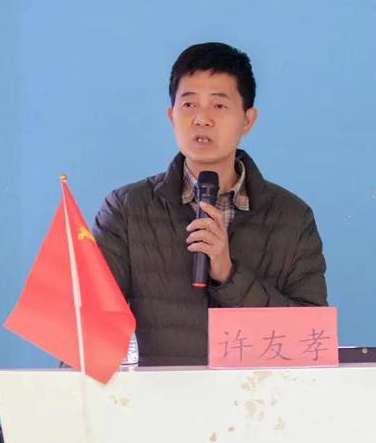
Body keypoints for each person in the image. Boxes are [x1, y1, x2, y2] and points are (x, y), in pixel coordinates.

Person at [93, 42, 327, 366]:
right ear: (171, 116)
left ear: (248, 120)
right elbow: (87, 332)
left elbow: (311, 339)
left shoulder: (292, 218)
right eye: (189, 104)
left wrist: (229, 276)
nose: (202, 119)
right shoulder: (126, 210)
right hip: (154, 397)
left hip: (254, 397)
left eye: (219, 105)